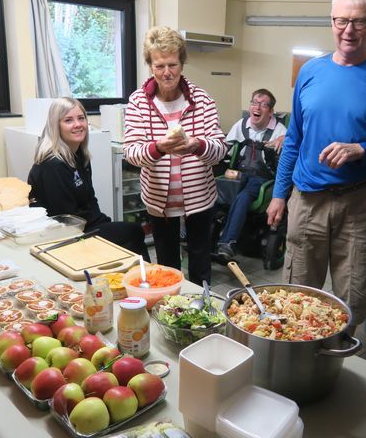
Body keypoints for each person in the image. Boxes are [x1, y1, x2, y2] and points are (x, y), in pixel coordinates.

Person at [267, 0, 366, 331]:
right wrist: (278, 194)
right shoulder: (310, 72)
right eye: (341, 21)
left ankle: (337, 367)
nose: (349, 30)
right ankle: (298, 370)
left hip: (358, 203)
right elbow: (294, 140)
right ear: (331, 21)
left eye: (359, 22)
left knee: (350, 300)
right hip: (307, 201)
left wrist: (361, 149)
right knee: (297, 297)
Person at [124, 26, 227, 286]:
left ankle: (202, 313)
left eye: (172, 64)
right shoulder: (138, 102)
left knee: (200, 263)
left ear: (182, 63)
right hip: (159, 202)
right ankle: (170, 316)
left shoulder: (202, 99)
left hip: (200, 200)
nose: (167, 73)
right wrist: (159, 148)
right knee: (167, 268)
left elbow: (219, 150)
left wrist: (196, 145)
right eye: (159, 66)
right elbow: (132, 153)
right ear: (150, 65)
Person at [28, 97, 150, 262]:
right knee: (131, 232)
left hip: (82, 226)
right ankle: (144, 280)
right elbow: (66, 217)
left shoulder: (79, 155)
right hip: (61, 236)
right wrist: (103, 226)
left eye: (81, 118)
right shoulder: (53, 164)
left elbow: (90, 199)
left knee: (129, 231)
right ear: (56, 126)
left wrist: (105, 223)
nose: (78, 124)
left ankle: (139, 279)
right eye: (68, 120)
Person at [216, 88, 287, 260]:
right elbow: (226, 149)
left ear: (270, 111)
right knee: (217, 190)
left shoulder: (280, 131)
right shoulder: (241, 125)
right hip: (240, 173)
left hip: (263, 177)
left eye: (263, 105)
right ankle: (200, 235)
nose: (257, 107)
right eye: (254, 102)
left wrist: (285, 140)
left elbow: (287, 159)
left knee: (243, 197)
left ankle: (228, 243)